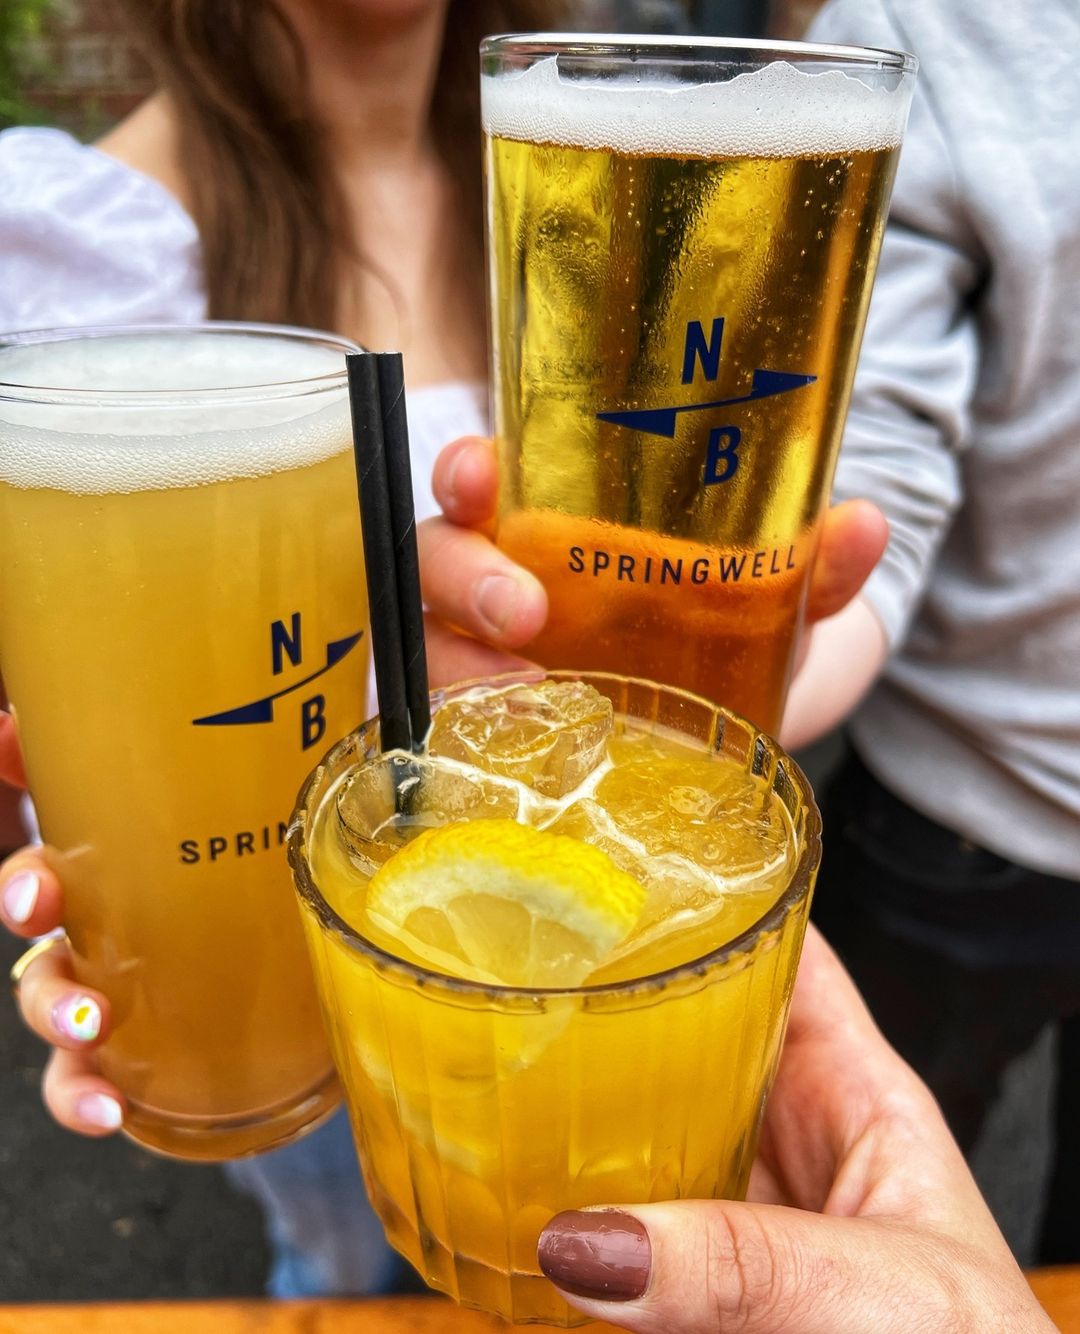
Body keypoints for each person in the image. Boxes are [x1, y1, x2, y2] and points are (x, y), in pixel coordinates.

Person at [776, 0, 1080, 1266]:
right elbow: (878, 463)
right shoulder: (925, 30)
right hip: (972, 798)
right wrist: (714, 689)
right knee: (853, 1214)